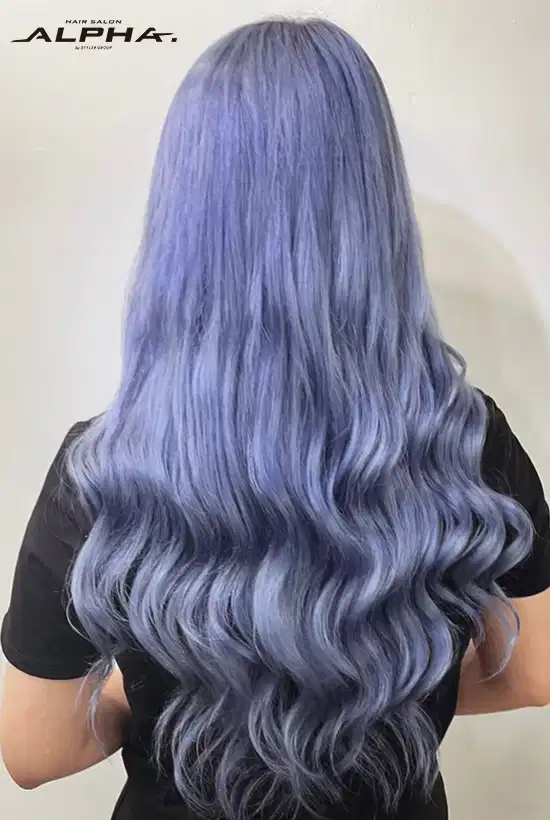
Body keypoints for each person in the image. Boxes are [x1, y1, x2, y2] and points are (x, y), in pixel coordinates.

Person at [1, 18, 549, 820]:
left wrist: (139, 694)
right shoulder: (463, 438)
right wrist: (382, 694)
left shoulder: (104, 469)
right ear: (375, 211)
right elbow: (534, 670)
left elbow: (35, 750)